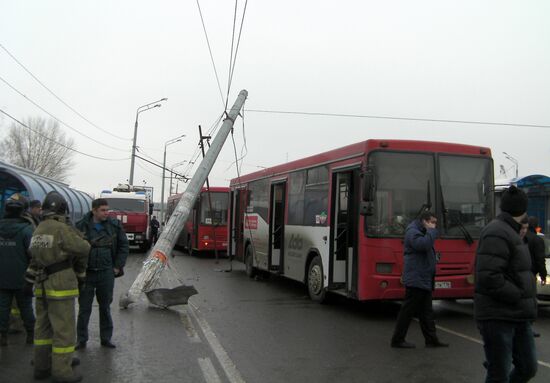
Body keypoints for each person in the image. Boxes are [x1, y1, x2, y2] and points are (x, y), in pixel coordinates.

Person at [475, 185, 537, 382]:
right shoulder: (497, 232)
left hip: (518, 315)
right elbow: (489, 276)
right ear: (523, 208)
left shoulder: (514, 233)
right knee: (498, 373)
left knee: (528, 368)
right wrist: (517, 295)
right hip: (498, 315)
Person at [26, 191, 90, 382]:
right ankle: (62, 371)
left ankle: (41, 366)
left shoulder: (39, 228)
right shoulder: (61, 228)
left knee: (43, 329)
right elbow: (83, 248)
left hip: (41, 284)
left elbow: (33, 253)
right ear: (63, 209)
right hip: (60, 284)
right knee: (64, 330)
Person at [75, 198, 128, 350]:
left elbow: (124, 246)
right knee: (84, 308)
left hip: (106, 273)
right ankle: (81, 339)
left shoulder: (114, 226)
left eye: (107, 210)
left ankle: (106, 338)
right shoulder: (81, 226)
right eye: (103, 210)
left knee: (105, 307)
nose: (107, 213)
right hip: (87, 274)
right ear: (94, 211)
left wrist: (117, 266)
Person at [391, 210, 449, 349]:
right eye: (432, 222)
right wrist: (431, 232)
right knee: (408, 311)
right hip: (416, 278)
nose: (434, 225)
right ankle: (397, 340)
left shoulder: (422, 230)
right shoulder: (413, 231)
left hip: (423, 278)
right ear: (424, 221)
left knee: (426, 312)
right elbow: (422, 245)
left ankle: (431, 340)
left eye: (435, 223)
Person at [0, 193, 35, 347]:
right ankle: (31, 335)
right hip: (23, 277)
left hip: (1, 277)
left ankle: (2, 336)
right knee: (26, 307)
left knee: (2, 308)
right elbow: (33, 254)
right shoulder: (27, 230)